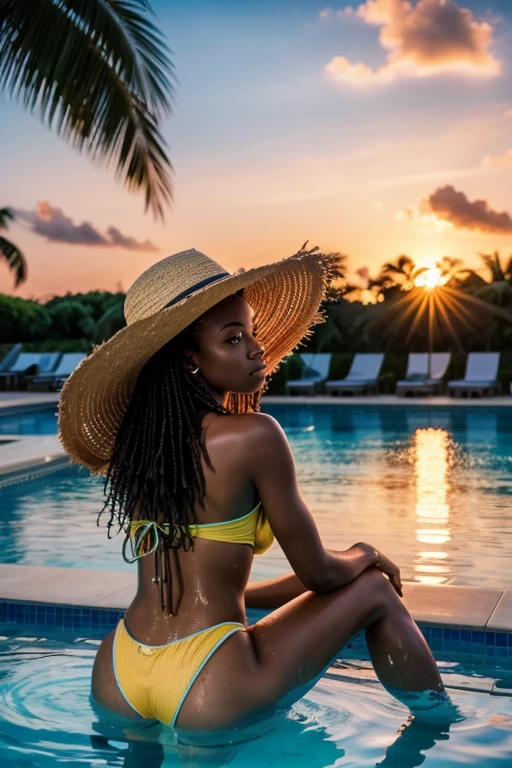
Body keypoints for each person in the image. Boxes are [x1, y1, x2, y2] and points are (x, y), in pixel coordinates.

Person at [58, 246, 449, 734]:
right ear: (188, 357)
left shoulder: (140, 450)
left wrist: (345, 566)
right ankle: (440, 728)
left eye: (252, 333)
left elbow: (219, 583)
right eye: (234, 338)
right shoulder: (253, 435)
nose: (256, 349)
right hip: (209, 678)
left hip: (118, 669)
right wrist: (364, 554)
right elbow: (321, 573)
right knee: (373, 590)